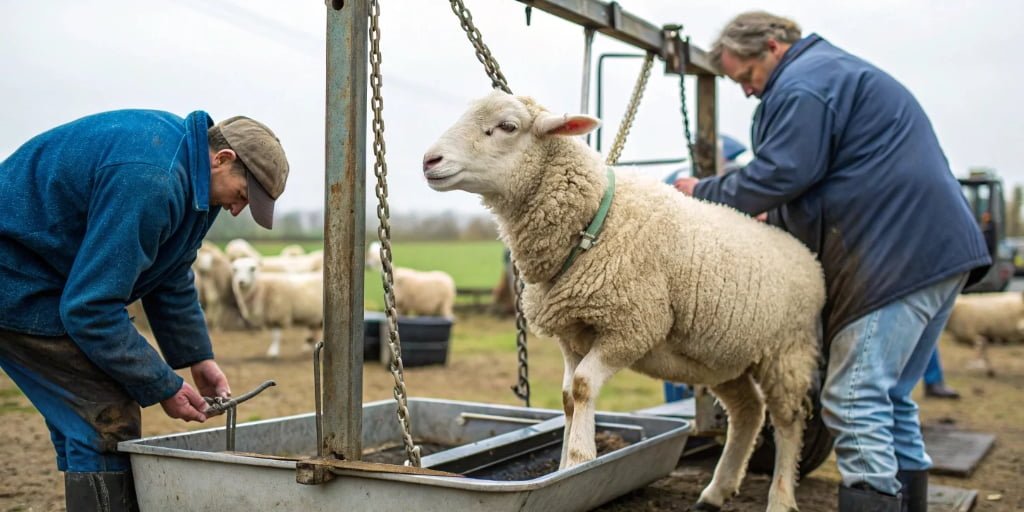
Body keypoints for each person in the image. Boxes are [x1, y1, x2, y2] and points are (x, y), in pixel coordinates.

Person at [673, 11, 990, 512]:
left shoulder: (804, 86)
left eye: (747, 78)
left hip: (897, 257)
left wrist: (705, 191)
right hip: (935, 252)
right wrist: (774, 218)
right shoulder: (831, 75)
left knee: (854, 396)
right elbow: (824, 180)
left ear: (773, 47)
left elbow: (784, 171)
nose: (748, 92)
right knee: (891, 398)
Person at [0, 110, 290, 511]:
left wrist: (197, 358)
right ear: (222, 159)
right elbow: (91, 308)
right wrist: (164, 386)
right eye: (243, 195)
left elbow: (169, 274)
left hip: (48, 275)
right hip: (16, 276)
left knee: (85, 416)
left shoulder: (191, 182)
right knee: (104, 412)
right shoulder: (152, 179)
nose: (239, 209)